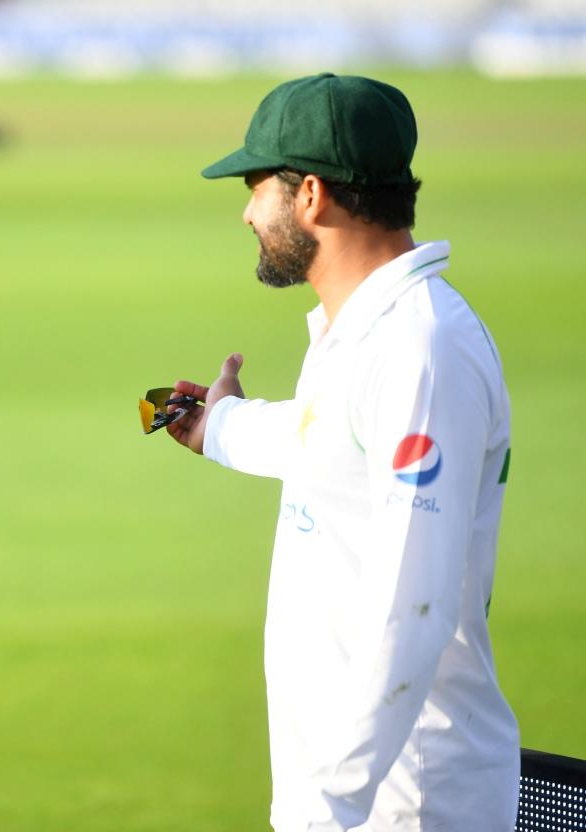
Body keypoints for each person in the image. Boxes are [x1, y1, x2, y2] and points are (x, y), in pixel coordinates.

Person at [166, 73, 518, 831]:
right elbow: (328, 439)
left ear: (311, 195)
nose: (245, 212)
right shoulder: (361, 333)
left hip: (406, 801)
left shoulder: (420, 347)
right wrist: (219, 427)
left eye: (256, 187)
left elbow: (412, 607)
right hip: (360, 795)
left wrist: (330, 806)